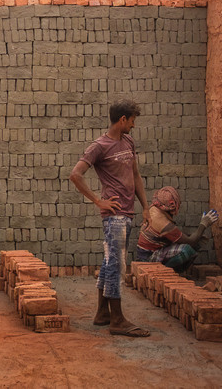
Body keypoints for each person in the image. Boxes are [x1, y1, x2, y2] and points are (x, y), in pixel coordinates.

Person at [69, 99, 151, 338]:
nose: (134, 126)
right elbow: (76, 175)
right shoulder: (99, 146)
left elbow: (135, 175)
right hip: (113, 216)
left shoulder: (128, 142)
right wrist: (98, 201)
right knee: (116, 265)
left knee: (108, 263)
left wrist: (145, 206)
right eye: (132, 121)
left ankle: (102, 314)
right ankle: (117, 320)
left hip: (128, 213)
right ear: (122, 119)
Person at [136, 186, 219, 271]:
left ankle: (177, 272)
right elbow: (191, 241)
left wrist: (197, 235)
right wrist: (204, 224)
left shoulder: (154, 209)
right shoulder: (162, 222)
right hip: (148, 258)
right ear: (172, 205)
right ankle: (164, 272)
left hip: (152, 252)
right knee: (187, 250)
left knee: (197, 240)